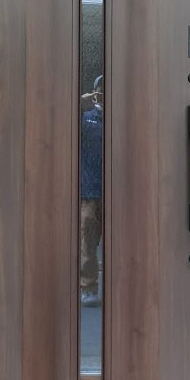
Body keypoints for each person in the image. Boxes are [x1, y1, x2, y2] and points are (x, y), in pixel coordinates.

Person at [80, 76, 103, 307]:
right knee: (87, 242)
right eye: (101, 91)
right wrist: (79, 102)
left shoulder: (124, 118)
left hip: (118, 193)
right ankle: (88, 287)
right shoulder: (86, 119)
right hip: (89, 192)